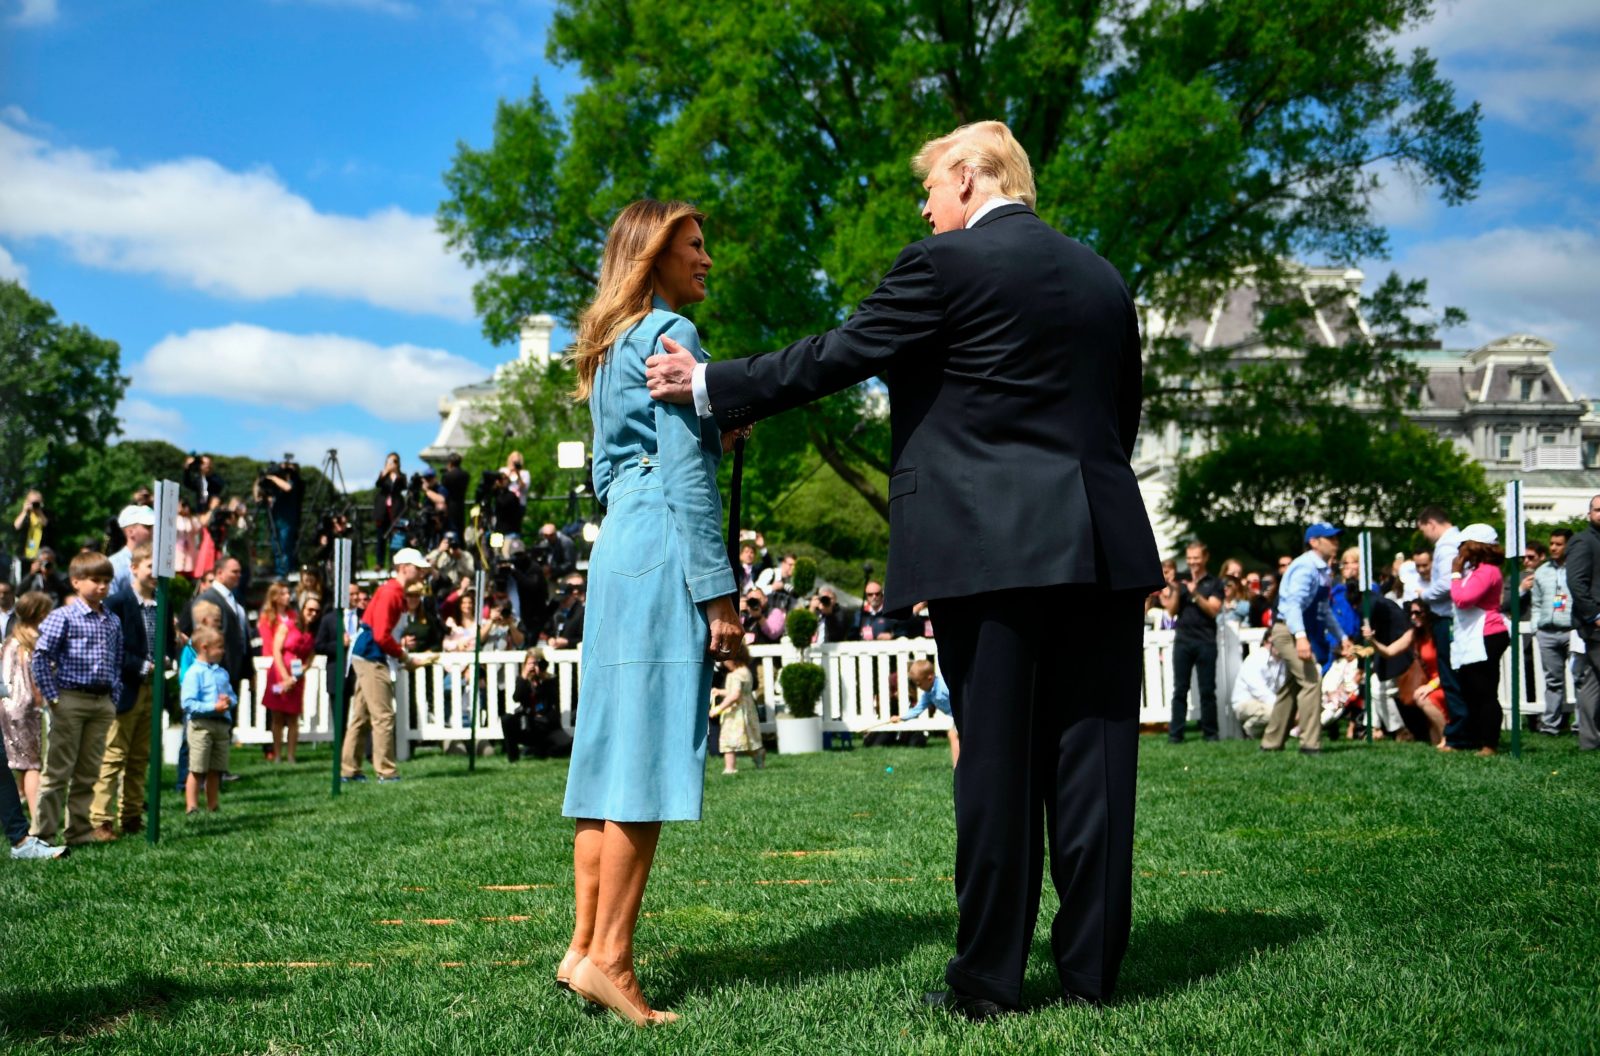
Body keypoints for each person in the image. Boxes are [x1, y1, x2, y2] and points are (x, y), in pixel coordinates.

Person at [646, 121, 1161, 1018]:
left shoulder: (942, 265)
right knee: (1095, 763)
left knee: (993, 765)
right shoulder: (1104, 277)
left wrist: (707, 384)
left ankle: (989, 982)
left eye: (929, 187)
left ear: (969, 176)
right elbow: (1123, 415)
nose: (925, 206)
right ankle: (1092, 979)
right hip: (1100, 542)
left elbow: (839, 354)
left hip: (987, 547)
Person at [557, 199, 743, 1027]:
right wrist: (720, 591)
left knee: (604, 758)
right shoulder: (673, 336)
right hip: (665, 540)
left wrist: (703, 437)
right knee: (645, 758)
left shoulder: (607, 347)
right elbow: (689, 481)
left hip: (617, 546)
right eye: (694, 247)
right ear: (654, 255)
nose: (707, 261)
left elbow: (609, 470)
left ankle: (579, 948)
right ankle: (613, 961)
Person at [28, 551, 122, 847]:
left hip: (101, 702)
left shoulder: (112, 620)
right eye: (95, 580)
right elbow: (40, 657)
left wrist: (113, 696)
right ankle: (42, 834)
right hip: (69, 699)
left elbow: (116, 660)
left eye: (107, 581)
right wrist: (53, 697)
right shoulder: (63, 616)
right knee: (57, 771)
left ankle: (78, 832)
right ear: (76, 582)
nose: (102, 587)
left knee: (88, 771)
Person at [91, 545, 167, 839]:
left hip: (152, 689)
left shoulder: (163, 602)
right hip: (127, 687)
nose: (155, 574)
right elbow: (112, 648)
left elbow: (166, 641)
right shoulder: (118, 602)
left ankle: (132, 815)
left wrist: (166, 659)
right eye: (150, 566)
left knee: (139, 757)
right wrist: (142, 666)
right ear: (134, 568)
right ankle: (100, 819)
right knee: (114, 755)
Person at [1262, 524, 1352, 755]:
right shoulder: (1306, 567)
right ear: (1314, 542)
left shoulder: (1322, 570)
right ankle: (1310, 743)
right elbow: (1292, 605)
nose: (1336, 542)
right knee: (1311, 679)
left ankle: (1271, 743)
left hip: (1296, 630)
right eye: (1329, 538)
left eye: (1336, 538)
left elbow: (1324, 610)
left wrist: (1342, 637)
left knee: (1292, 686)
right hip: (1288, 630)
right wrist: (1301, 638)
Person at [343, 549, 430, 783]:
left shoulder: (392, 591)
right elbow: (381, 635)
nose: (422, 571)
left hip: (367, 653)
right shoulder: (392, 592)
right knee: (383, 716)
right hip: (371, 655)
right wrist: (404, 656)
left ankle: (349, 770)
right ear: (403, 567)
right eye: (417, 567)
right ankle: (386, 771)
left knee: (360, 716)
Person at [1445, 524, 1508, 756]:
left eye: (1463, 546)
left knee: (1484, 691)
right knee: (1471, 690)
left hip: (1487, 634)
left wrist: (1454, 573)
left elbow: (1463, 599)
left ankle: (1489, 743)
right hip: (1473, 636)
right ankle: (1476, 737)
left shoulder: (1488, 571)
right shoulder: (1475, 571)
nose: (1459, 552)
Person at [1163, 540, 1224, 743]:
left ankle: (1210, 734)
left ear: (1205, 558)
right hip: (1183, 641)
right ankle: (1176, 734)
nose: (1192, 562)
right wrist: (1174, 589)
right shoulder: (1181, 583)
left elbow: (1213, 611)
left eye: (1196, 558)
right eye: (1189, 558)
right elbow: (1171, 611)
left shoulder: (1214, 583)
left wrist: (1195, 593)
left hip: (1205, 641)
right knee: (1180, 689)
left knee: (1207, 690)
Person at [1417, 506, 1467, 749]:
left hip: (1446, 615)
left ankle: (1458, 735)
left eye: (1424, 530)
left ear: (1431, 524)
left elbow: (1448, 583)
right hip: (1453, 616)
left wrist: (1425, 595)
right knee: (1455, 677)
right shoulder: (1457, 542)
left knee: (1450, 677)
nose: (1426, 536)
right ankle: (1462, 732)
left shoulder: (1447, 546)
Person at [1, 591, 53, 821]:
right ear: (41, 613)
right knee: (33, 765)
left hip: (7, 705)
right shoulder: (35, 640)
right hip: (29, 708)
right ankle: (37, 818)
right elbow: (38, 678)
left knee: (13, 763)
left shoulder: (11, 640)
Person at [1365, 602, 1446, 744]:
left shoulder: (1438, 632)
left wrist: (1432, 685)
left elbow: (1448, 667)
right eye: (1411, 614)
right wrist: (1372, 641)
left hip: (1444, 679)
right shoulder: (1413, 634)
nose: (1413, 617)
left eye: (1418, 613)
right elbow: (1389, 652)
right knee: (1434, 741)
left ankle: (1449, 737)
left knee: (1422, 698)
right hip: (1428, 682)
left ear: (1428, 612)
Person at [182, 627, 234, 814]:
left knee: (215, 769)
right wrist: (213, 707)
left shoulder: (222, 673)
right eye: (219, 647)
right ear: (205, 647)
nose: (223, 650)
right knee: (197, 767)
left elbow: (232, 696)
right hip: (201, 726)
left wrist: (228, 702)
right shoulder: (194, 673)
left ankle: (213, 804)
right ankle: (192, 806)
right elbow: (187, 703)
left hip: (221, 725)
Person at [1531, 529, 1576, 736]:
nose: (1553, 548)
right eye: (1551, 543)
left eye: (1558, 544)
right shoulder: (1542, 571)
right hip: (1547, 632)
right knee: (1552, 681)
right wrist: (1536, 628)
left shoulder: (1579, 567)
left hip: (1573, 630)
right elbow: (1536, 603)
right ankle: (1550, 725)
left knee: (1581, 679)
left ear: (1568, 545)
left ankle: (1581, 725)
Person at [265, 592, 319, 765]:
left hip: (297, 678)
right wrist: (285, 677)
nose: (313, 614)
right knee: (277, 717)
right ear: (302, 609)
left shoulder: (313, 632)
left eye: (316, 611)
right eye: (310, 610)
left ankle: (291, 755)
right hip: (278, 674)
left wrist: (296, 677)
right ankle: (277, 754)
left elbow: (310, 658)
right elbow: (276, 651)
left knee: (293, 717)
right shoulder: (287, 626)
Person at [1565, 493, 1600, 750]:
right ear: (1589, 514)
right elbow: (1576, 583)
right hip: (1595, 623)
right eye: (1599, 510)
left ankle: (1589, 740)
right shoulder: (1583, 541)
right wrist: (1594, 616)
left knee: (1592, 682)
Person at [709, 638, 763, 774]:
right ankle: (758, 754)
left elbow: (734, 695)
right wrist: (720, 691)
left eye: (726, 661)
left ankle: (730, 768)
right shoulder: (746, 672)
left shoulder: (735, 675)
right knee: (748, 738)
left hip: (735, 714)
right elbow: (737, 691)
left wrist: (718, 709)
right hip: (747, 710)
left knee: (728, 741)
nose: (725, 665)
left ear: (734, 659)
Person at [893, 658, 959, 766]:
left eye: (919, 684)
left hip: (965, 712)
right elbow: (917, 709)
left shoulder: (943, 686)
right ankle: (958, 767)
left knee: (954, 735)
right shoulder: (928, 694)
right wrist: (901, 718)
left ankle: (958, 767)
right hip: (957, 716)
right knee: (954, 735)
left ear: (930, 678)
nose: (918, 687)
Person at [260, 457, 306, 577]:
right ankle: (279, 570)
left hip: (287, 521)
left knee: (285, 547)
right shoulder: (275, 486)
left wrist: (273, 477)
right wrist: (261, 479)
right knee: (276, 547)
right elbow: (258, 497)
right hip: (275, 520)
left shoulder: (294, 482)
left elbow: (288, 487)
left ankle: (283, 572)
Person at [1230, 644, 1285, 738]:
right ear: (1268, 642)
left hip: (1267, 702)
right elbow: (1259, 691)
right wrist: (1282, 707)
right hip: (1246, 703)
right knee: (1275, 713)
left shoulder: (1283, 661)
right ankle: (1249, 731)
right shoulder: (1256, 658)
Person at [107, 505, 154, 596]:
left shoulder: (158, 562)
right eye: (148, 527)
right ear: (130, 532)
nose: (154, 531)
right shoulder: (113, 565)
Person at [373, 453, 407, 564]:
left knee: (396, 538)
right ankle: (380, 562)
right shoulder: (383, 474)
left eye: (395, 461)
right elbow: (378, 484)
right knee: (381, 538)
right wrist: (386, 471)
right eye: (391, 461)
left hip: (396, 510)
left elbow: (403, 486)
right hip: (383, 511)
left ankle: (395, 562)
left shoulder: (401, 476)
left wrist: (396, 473)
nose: (393, 463)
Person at [546, 575, 586, 650]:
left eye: (565, 600)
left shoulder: (581, 612)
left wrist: (568, 642)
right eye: (560, 600)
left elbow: (585, 638)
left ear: (572, 596)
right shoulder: (555, 611)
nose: (562, 603)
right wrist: (550, 639)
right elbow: (549, 631)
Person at [13, 490, 50, 570]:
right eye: (32, 502)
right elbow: (16, 526)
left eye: (37, 502)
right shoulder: (25, 515)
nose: (34, 505)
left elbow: (47, 525)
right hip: (24, 557)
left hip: (41, 557)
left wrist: (39, 512)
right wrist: (24, 511)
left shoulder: (45, 514)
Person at [441, 453, 470, 540]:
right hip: (460, 505)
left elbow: (444, 491)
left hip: (450, 505)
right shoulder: (465, 475)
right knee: (460, 528)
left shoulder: (447, 476)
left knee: (451, 528)